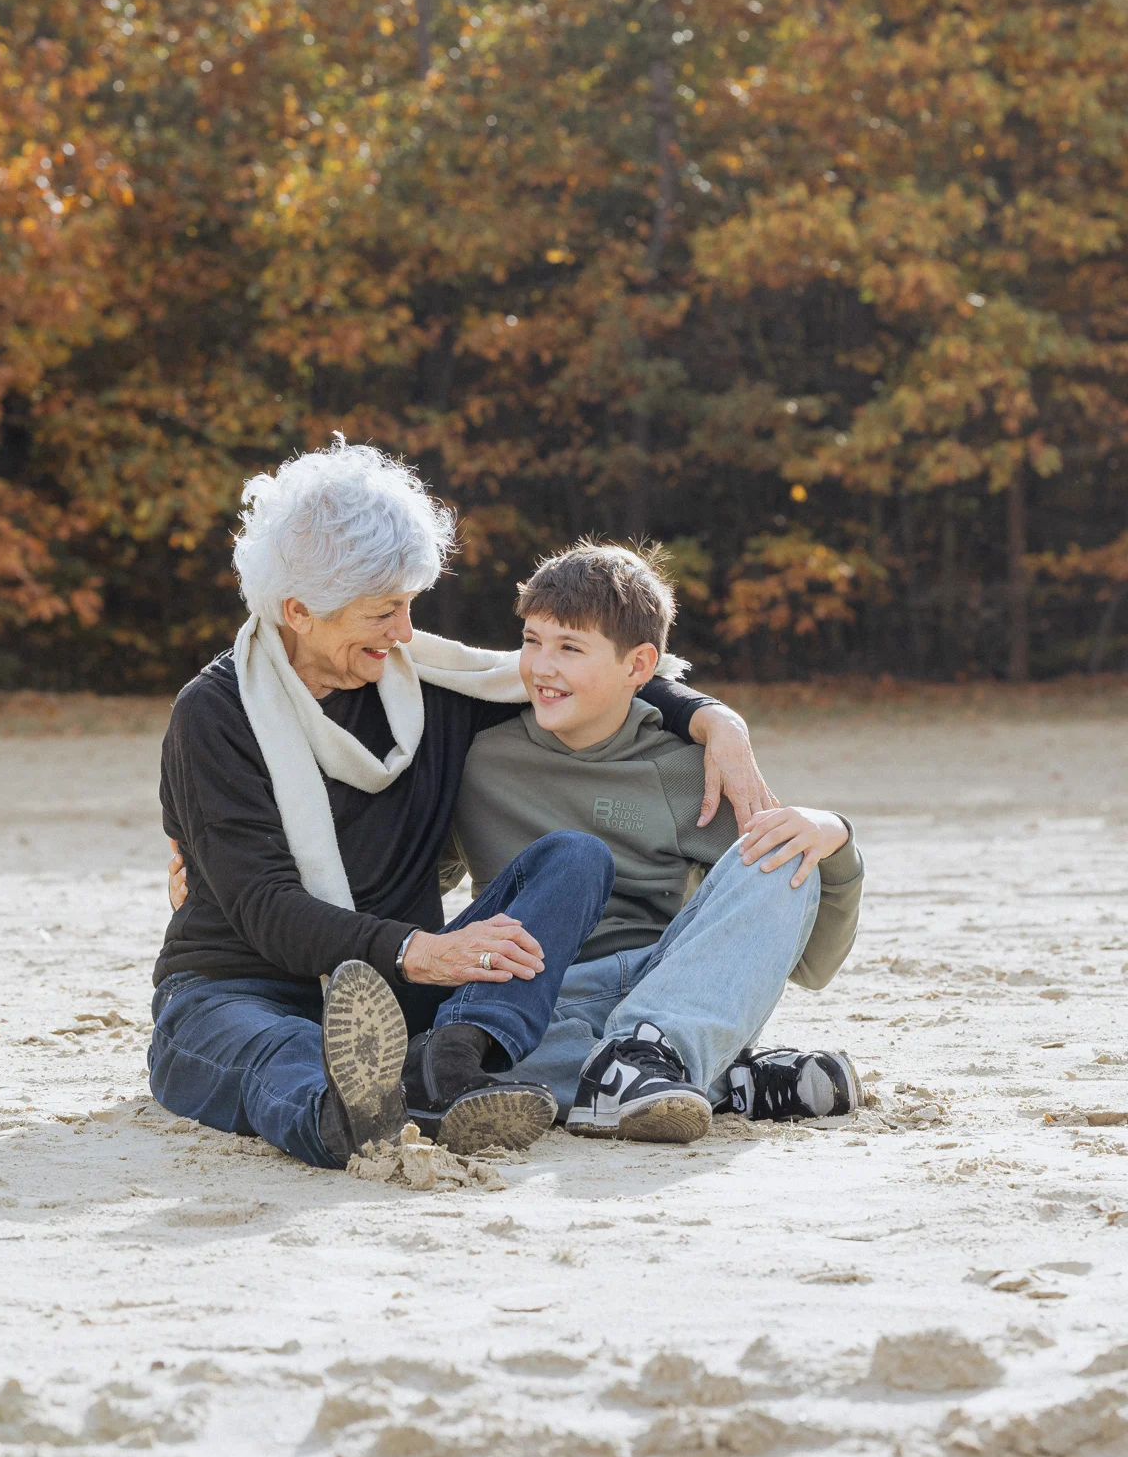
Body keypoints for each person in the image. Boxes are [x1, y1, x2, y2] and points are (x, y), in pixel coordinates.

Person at [149, 438, 768, 1172]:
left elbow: (576, 677)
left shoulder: (429, 688)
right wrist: (420, 949)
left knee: (572, 857)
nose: (407, 633)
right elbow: (264, 906)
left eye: (410, 605)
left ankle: (453, 1060)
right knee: (277, 1048)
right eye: (384, 612)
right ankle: (349, 1116)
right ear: (299, 610)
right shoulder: (214, 714)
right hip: (238, 987)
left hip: (404, 995)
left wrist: (713, 719)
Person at [446, 541, 864, 1142]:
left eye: (570, 647)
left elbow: (807, 963)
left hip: (667, 987)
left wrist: (834, 839)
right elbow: (414, 885)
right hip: (540, 1000)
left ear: (640, 666)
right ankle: (718, 1077)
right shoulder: (478, 761)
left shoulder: (684, 769)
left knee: (778, 846)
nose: (541, 666)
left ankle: (655, 1056)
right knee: (471, 1052)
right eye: (532, 640)